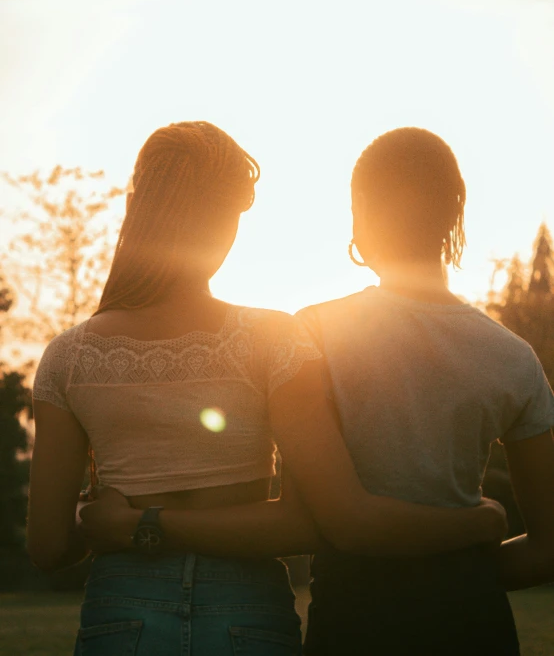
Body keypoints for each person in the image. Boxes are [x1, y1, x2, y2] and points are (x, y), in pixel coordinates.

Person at [29, 122, 506, 656]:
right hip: (245, 615)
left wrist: (125, 523)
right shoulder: (273, 338)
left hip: (121, 615)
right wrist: (478, 520)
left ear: (140, 207)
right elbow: (309, 523)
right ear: (222, 219)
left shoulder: (67, 358)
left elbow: (49, 546)